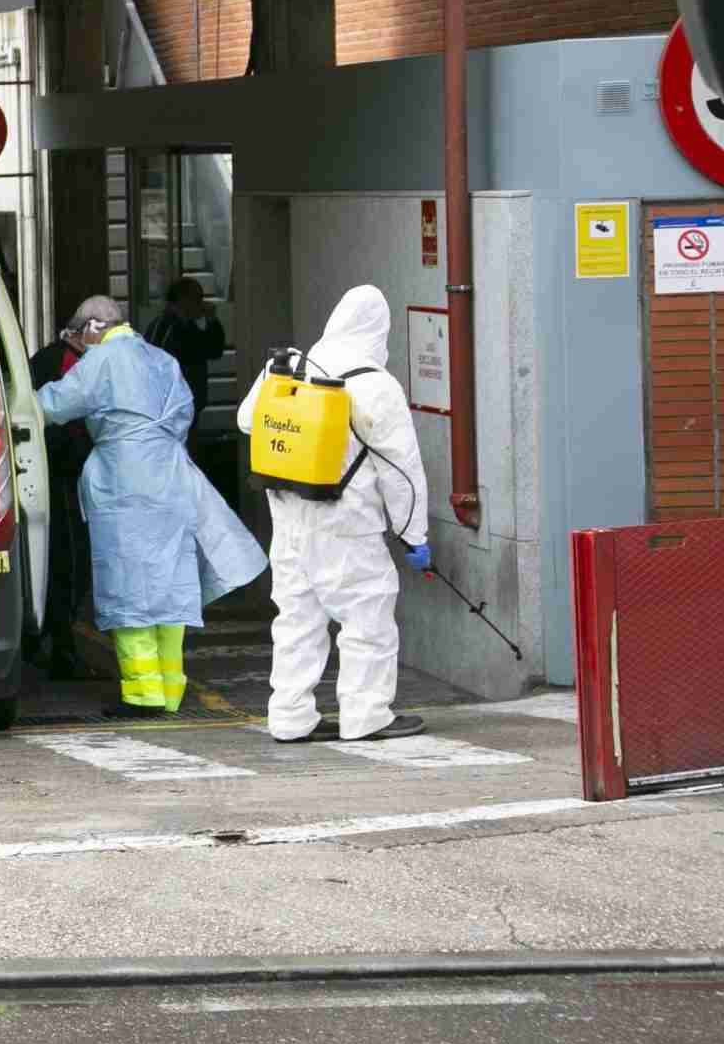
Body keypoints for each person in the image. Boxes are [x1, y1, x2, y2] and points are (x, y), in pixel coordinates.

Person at [36, 294, 267, 720]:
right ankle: (171, 689)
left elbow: (52, 404)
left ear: (92, 328)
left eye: (77, 336)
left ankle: (142, 694)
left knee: (129, 587)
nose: (77, 346)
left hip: (125, 482)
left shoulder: (102, 360)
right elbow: (186, 412)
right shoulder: (163, 360)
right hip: (171, 477)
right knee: (170, 584)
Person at [236, 285, 431, 744]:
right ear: (377, 331)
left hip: (288, 520)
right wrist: (413, 535)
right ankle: (366, 715)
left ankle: (289, 716)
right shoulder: (375, 385)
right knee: (367, 619)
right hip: (346, 526)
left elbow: (248, 419)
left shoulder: (285, 367)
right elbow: (402, 472)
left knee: (296, 621)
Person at [26, 316, 96, 680]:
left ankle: (48, 645)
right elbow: (66, 417)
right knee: (69, 562)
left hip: (60, 473)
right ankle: (61, 649)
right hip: (63, 476)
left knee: (64, 562)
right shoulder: (64, 363)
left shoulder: (52, 358)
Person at [143, 277, 229, 451]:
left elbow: (213, 350)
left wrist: (212, 321)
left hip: (186, 403)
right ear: (183, 300)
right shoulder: (166, 327)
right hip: (170, 406)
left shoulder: (184, 325)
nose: (201, 304)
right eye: (197, 298)